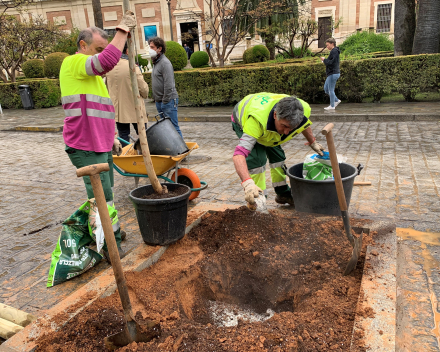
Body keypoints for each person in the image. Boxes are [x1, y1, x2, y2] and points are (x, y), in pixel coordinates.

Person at [59, 12, 136, 260]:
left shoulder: (95, 79)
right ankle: (108, 246)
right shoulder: (73, 63)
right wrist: (122, 30)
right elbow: (106, 61)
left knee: (108, 192)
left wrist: (112, 136)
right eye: (98, 49)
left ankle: (111, 231)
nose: (102, 54)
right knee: (100, 198)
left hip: (100, 143)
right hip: (84, 145)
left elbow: (102, 111)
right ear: (83, 46)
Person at [232, 93, 325, 207]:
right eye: (284, 126)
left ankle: (283, 194)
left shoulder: (302, 109)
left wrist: (312, 142)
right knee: (257, 160)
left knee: (278, 157)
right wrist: (247, 183)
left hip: (267, 127)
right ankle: (257, 200)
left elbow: (304, 125)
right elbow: (239, 155)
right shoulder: (256, 121)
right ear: (275, 115)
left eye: (291, 128)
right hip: (244, 118)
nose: (286, 132)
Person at [106, 42, 149, 147]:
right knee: (144, 135)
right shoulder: (132, 66)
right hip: (135, 107)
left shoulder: (109, 67)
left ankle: (126, 158)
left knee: (123, 135)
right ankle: (146, 156)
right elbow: (143, 89)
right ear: (127, 51)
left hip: (118, 109)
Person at [148, 36, 183, 138]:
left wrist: (165, 101)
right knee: (167, 129)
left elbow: (169, 85)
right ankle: (173, 149)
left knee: (173, 127)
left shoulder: (165, 63)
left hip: (168, 101)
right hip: (160, 101)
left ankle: (181, 150)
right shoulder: (156, 62)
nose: (150, 49)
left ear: (159, 48)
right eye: (149, 47)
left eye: (152, 47)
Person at [321, 38, 341, 110]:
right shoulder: (333, 51)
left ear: (332, 44)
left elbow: (331, 62)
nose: (327, 47)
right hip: (331, 73)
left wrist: (324, 60)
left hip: (333, 73)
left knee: (330, 90)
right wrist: (325, 61)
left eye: (328, 45)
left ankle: (332, 106)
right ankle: (336, 100)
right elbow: (331, 62)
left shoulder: (334, 51)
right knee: (326, 89)